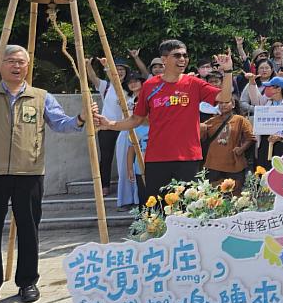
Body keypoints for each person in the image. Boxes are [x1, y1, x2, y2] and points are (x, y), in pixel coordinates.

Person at [0, 45, 94, 303]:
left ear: (28, 66)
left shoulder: (41, 97)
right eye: (11, 61)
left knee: (29, 229)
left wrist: (82, 118)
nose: (17, 66)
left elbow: (62, 124)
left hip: (29, 172)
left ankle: (27, 282)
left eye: (22, 62)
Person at [94, 40, 234, 204]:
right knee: (158, 210)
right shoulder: (150, 85)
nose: (183, 59)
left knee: (187, 209)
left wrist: (228, 71)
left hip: (188, 157)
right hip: (157, 159)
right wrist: (110, 124)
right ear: (164, 59)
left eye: (184, 55)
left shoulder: (194, 84)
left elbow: (224, 98)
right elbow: (136, 119)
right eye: (177, 55)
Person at [84, 56, 131, 197]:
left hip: (125, 127)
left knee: (126, 158)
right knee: (106, 158)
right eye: (117, 69)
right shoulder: (106, 86)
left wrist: (108, 68)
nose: (119, 72)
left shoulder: (130, 87)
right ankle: (104, 186)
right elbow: (93, 78)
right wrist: (88, 65)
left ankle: (128, 186)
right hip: (106, 127)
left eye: (122, 69)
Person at [245, 75, 283, 170]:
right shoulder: (266, 102)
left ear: (278, 89)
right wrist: (252, 82)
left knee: (282, 172)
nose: (267, 89)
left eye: (270, 86)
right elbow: (255, 99)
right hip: (265, 143)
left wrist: (280, 136)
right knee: (264, 173)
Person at [201, 100, 255, 189]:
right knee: (213, 196)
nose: (223, 105)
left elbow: (251, 138)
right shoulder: (212, 120)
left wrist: (241, 149)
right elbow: (202, 138)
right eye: (221, 103)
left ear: (233, 104)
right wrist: (201, 128)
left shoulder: (240, 120)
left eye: (227, 102)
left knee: (235, 195)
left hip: (234, 164)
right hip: (213, 165)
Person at [114, 73, 145, 210]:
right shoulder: (125, 98)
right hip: (127, 131)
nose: (133, 84)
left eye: (136, 81)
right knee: (124, 167)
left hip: (143, 130)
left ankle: (140, 199)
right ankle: (126, 199)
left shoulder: (148, 96)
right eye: (130, 82)